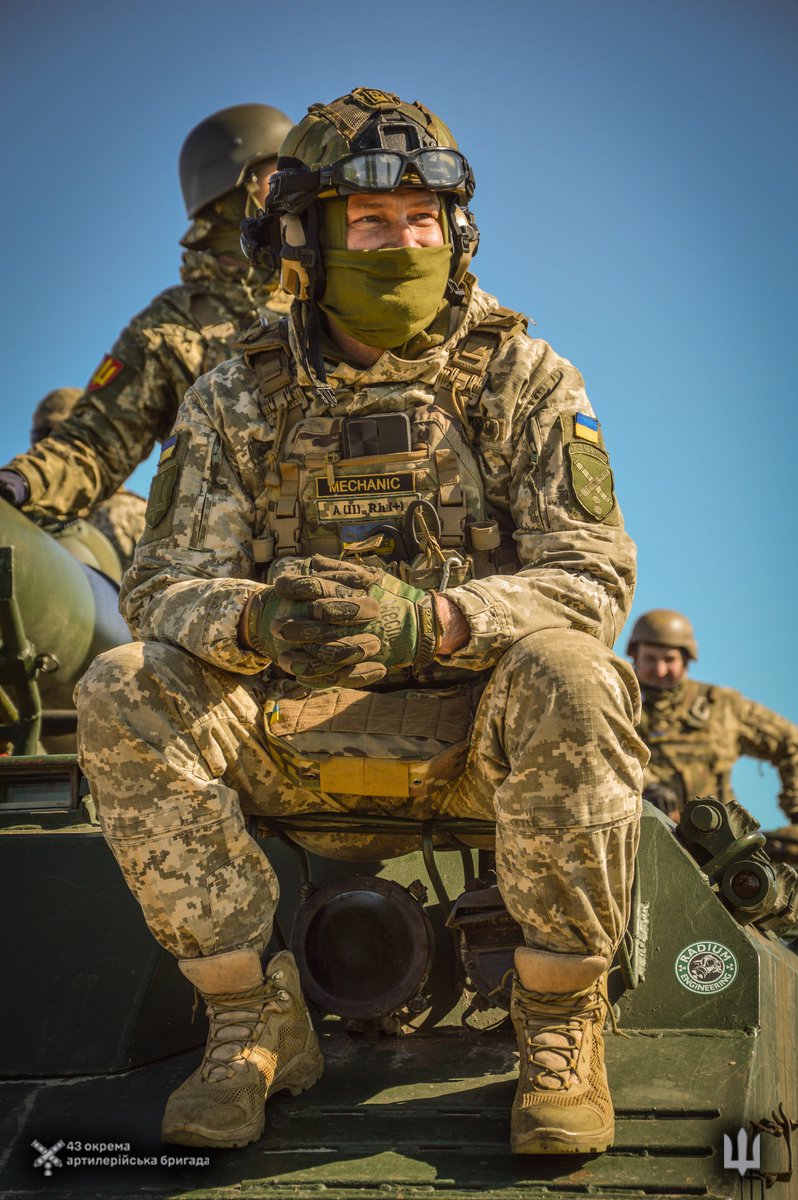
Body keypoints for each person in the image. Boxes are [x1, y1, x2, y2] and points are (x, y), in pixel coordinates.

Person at [76, 87, 647, 1157]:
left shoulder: (525, 377)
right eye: (371, 223)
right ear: (303, 239)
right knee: (122, 686)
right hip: (285, 739)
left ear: (457, 229)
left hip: (476, 744)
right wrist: (259, 622)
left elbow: (589, 576)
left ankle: (561, 1022)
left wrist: (430, 623)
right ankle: (251, 1020)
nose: (403, 241)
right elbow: (162, 586)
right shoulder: (234, 393)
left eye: (423, 219)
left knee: (578, 674)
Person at [0, 103, 293, 524]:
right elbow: (94, 446)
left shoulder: (333, 287)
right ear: (235, 194)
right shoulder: (168, 328)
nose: (300, 191)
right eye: (279, 179)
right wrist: (19, 479)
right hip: (236, 570)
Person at [627, 609, 798, 857]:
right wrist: (647, 784)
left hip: (722, 850)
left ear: (686, 660)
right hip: (643, 849)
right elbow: (598, 752)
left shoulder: (722, 707)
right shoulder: (618, 704)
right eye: (651, 659)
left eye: (669, 659)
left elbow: (790, 741)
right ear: (635, 657)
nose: (660, 669)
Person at [29, 388, 147, 574]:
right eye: (40, 437)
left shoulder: (124, 514)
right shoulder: (38, 521)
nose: (48, 447)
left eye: (59, 434)